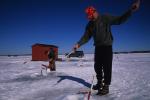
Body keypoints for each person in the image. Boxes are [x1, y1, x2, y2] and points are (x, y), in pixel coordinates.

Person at [73, 0, 140, 95]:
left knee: (107, 67)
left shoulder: (105, 18)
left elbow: (119, 20)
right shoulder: (90, 24)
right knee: (97, 67)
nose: (90, 18)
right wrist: (78, 44)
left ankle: (106, 86)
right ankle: (99, 83)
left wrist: (131, 10)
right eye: (89, 17)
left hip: (107, 47)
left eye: (91, 16)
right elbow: (86, 36)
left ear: (95, 12)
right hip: (98, 47)